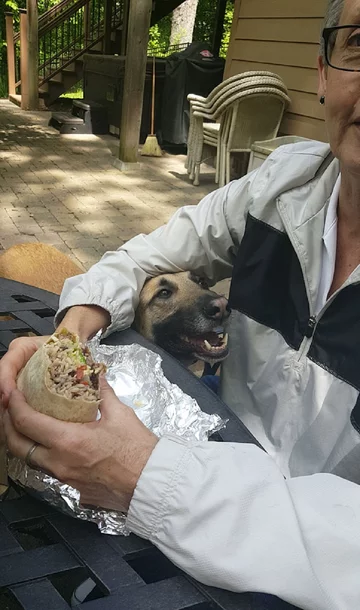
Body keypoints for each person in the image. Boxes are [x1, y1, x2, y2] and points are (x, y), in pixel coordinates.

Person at [2, 0, 360, 607]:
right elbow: (139, 261)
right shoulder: (282, 186)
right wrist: (71, 335)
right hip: (184, 496)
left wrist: (145, 477)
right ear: (324, 71)